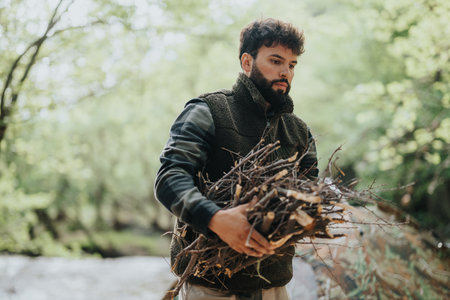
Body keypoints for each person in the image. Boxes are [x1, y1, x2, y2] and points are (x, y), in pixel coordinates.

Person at [154, 18, 318, 300]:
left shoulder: (299, 131)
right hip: (210, 284)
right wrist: (215, 219)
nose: (285, 73)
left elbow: (311, 196)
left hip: (273, 284)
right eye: (276, 61)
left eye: (291, 65)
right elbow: (169, 179)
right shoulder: (208, 111)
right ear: (246, 62)